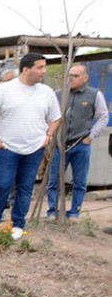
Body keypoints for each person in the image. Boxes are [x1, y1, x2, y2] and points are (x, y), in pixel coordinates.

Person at [0, 53, 61, 240]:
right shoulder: (4, 90)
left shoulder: (46, 92)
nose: (44, 71)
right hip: (7, 148)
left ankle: (18, 224)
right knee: (3, 185)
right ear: (26, 69)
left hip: (34, 148)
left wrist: (48, 136)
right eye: (39, 67)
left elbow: (56, 118)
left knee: (25, 187)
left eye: (44, 67)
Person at [47, 63, 109, 220]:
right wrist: (50, 135)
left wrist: (91, 136)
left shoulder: (94, 94)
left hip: (81, 144)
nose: (71, 79)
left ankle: (75, 212)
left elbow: (103, 116)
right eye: (70, 75)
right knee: (54, 179)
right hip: (59, 144)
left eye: (75, 76)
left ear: (85, 78)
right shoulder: (59, 94)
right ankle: (52, 211)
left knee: (80, 181)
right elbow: (49, 115)